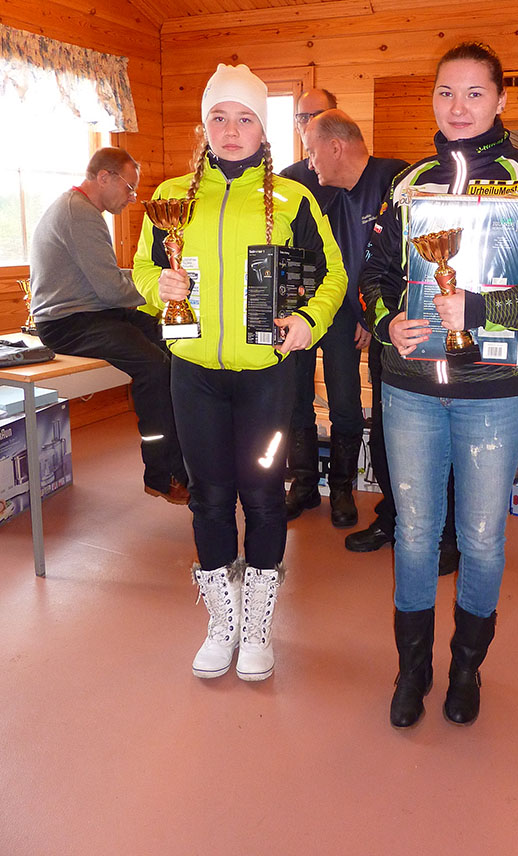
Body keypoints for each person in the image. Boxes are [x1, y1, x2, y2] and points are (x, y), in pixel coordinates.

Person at [361, 41, 518, 728]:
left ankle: (466, 668)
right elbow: (373, 275)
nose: (457, 107)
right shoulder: (409, 182)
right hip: (409, 389)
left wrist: (485, 309)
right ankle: (412, 670)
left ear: (500, 100)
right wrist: (388, 322)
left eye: (474, 93)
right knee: (414, 535)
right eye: (445, 92)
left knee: (483, 538)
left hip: (493, 396)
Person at [133, 64, 346, 681]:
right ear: (205, 126)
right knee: (208, 495)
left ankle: (256, 627)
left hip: (266, 377)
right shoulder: (174, 195)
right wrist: (158, 286)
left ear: (263, 130)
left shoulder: (293, 199)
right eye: (219, 118)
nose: (231, 130)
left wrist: (307, 320)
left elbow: (332, 275)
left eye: (245, 118)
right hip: (194, 373)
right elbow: (144, 269)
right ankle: (221, 622)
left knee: (262, 494)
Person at [29, 147, 189, 505]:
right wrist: (162, 285)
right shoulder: (79, 213)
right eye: (129, 188)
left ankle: (186, 460)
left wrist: (156, 280)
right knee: (155, 366)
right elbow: (112, 289)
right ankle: (161, 475)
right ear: (104, 177)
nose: (132, 198)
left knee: (173, 340)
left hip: (94, 313)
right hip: (67, 323)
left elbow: (109, 280)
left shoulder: (80, 209)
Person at [282, 109, 407, 528]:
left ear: (335, 147)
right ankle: (303, 484)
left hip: (355, 315)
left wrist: (369, 315)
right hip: (306, 307)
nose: (309, 161)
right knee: (295, 398)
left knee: (346, 402)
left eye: (312, 150)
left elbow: (391, 263)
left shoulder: (394, 178)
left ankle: (341, 489)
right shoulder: (309, 185)